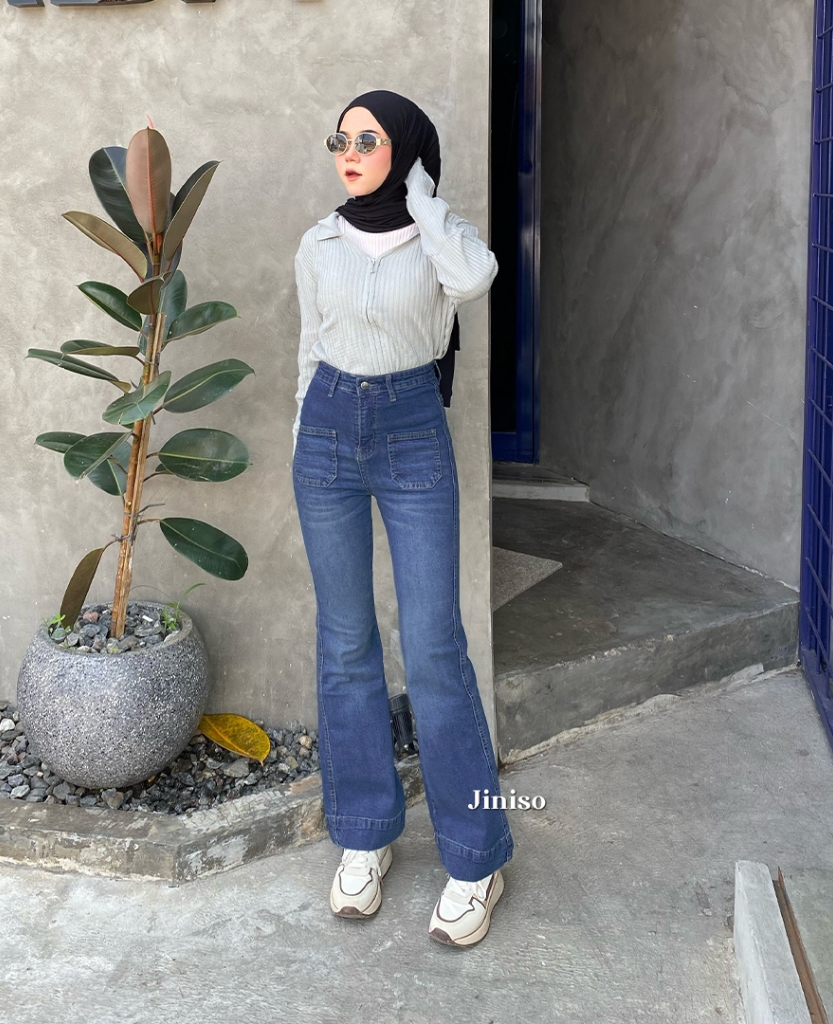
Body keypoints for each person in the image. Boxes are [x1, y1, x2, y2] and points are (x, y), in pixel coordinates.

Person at [291, 89, 514, 948]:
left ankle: (477, 854)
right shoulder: (318, 242)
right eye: (339, 139)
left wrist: (422, 196)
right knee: (346, 641)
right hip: (326, 433)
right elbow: (309, 347)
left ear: (407, 149)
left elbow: (477, 279)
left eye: (368, 139)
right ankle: (365, 834)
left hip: (413, 429)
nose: (348, 153)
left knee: (433, 646)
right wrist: (303, 436)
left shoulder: (437, 239)